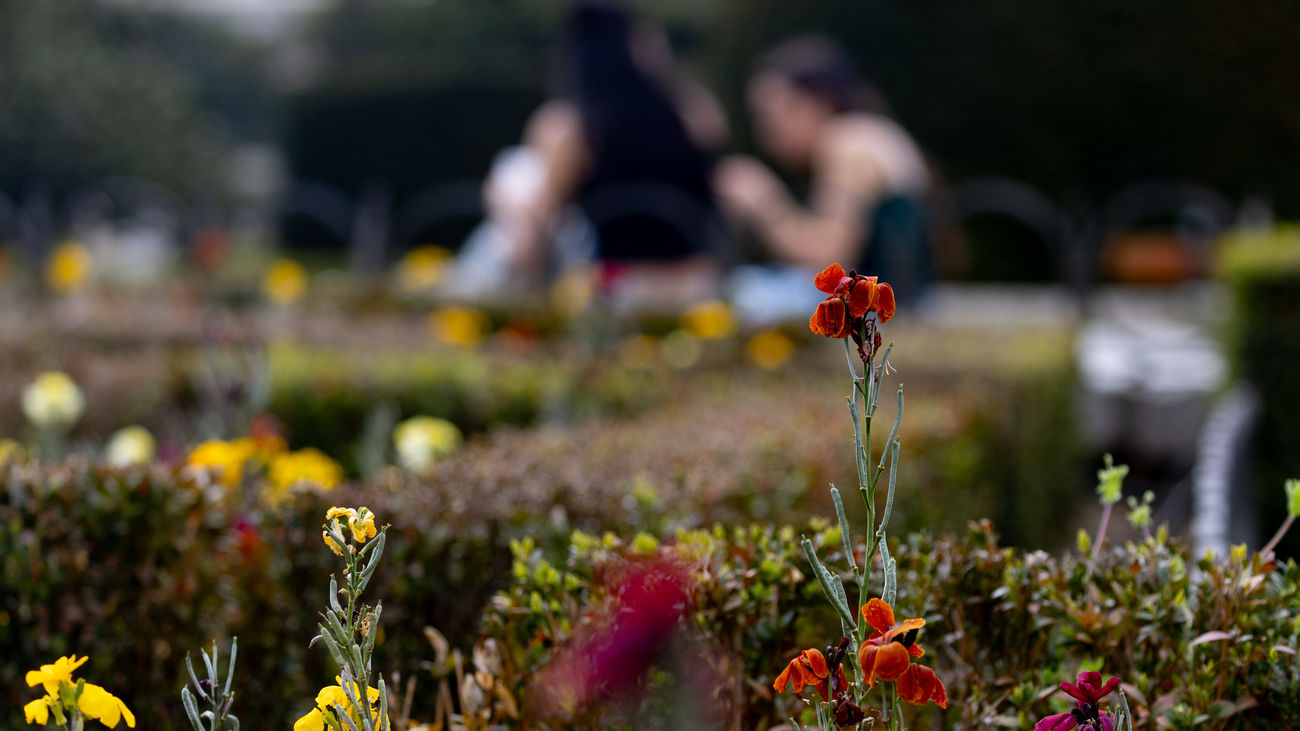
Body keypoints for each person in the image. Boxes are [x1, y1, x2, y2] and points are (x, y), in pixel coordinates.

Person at [458, 1, 726, 308]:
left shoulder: (571, 127)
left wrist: (508, 204)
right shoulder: (698, 115)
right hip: (700, 283)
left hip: (614, 287)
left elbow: (540, 232)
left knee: (516, 176)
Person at [716, 36, 932, 306]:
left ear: (817, 102)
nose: (764, 134)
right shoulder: (867, 132)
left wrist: (763, 201)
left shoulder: (848, 143)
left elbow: (830, 261)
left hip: (881, 316)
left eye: (770, 116)